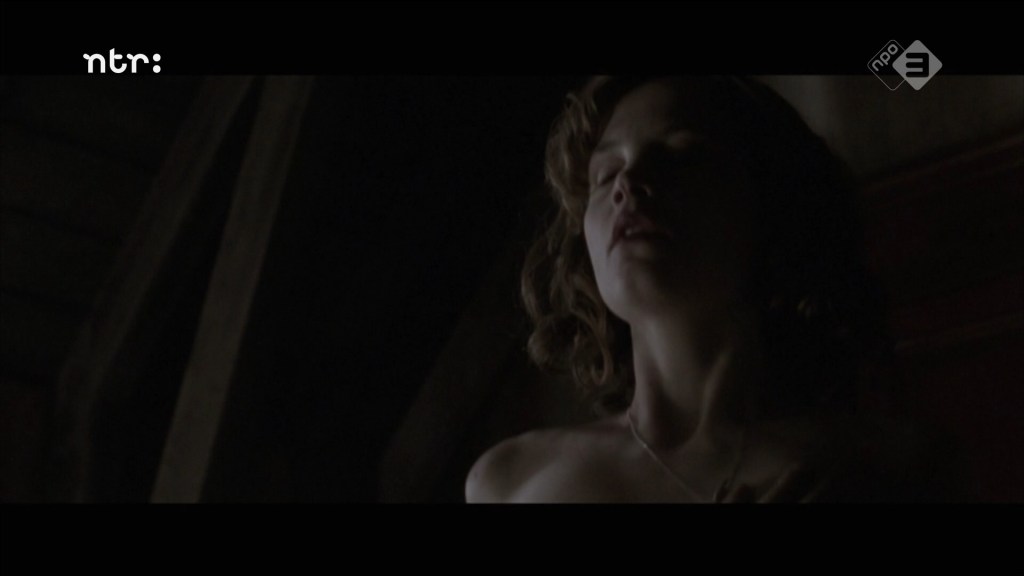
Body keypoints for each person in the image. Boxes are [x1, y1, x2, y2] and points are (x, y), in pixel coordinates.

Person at [465, 76, 965, 503]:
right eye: (606, 173)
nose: (629, 183)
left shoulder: (888, 467)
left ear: (772, 207)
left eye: (683, 155)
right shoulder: (510, 479)